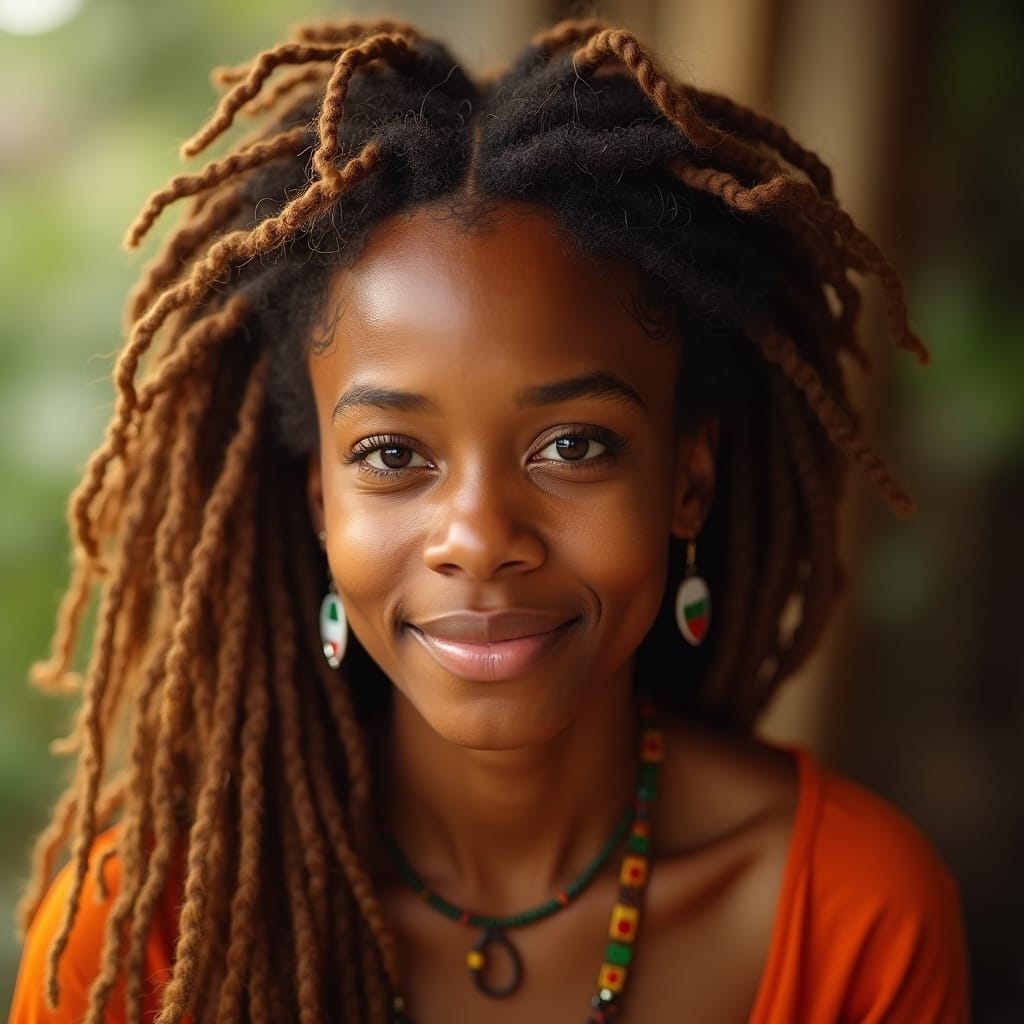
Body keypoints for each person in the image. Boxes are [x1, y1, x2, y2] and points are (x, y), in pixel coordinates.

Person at [8, 16, 969, 1024]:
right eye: (393, 455)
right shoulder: (136, 941)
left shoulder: (857, 915)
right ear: (320, 502)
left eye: (573, 445)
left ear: (687, 481)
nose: (476, 538)